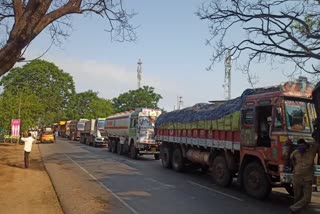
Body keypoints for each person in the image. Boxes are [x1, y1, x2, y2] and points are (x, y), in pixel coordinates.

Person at [289, 137, 319, 213]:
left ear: (306, 145)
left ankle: (293, 208)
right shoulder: (295, 153)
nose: (301, 147)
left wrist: (308, 143)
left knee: (307, 198)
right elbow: (292, 162)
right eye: (299, 145)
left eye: (302, 145)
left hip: (307, 179)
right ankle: (297, 211)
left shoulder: (311, 152)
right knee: (297, 197)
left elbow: (316, 144)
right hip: (297, 178)